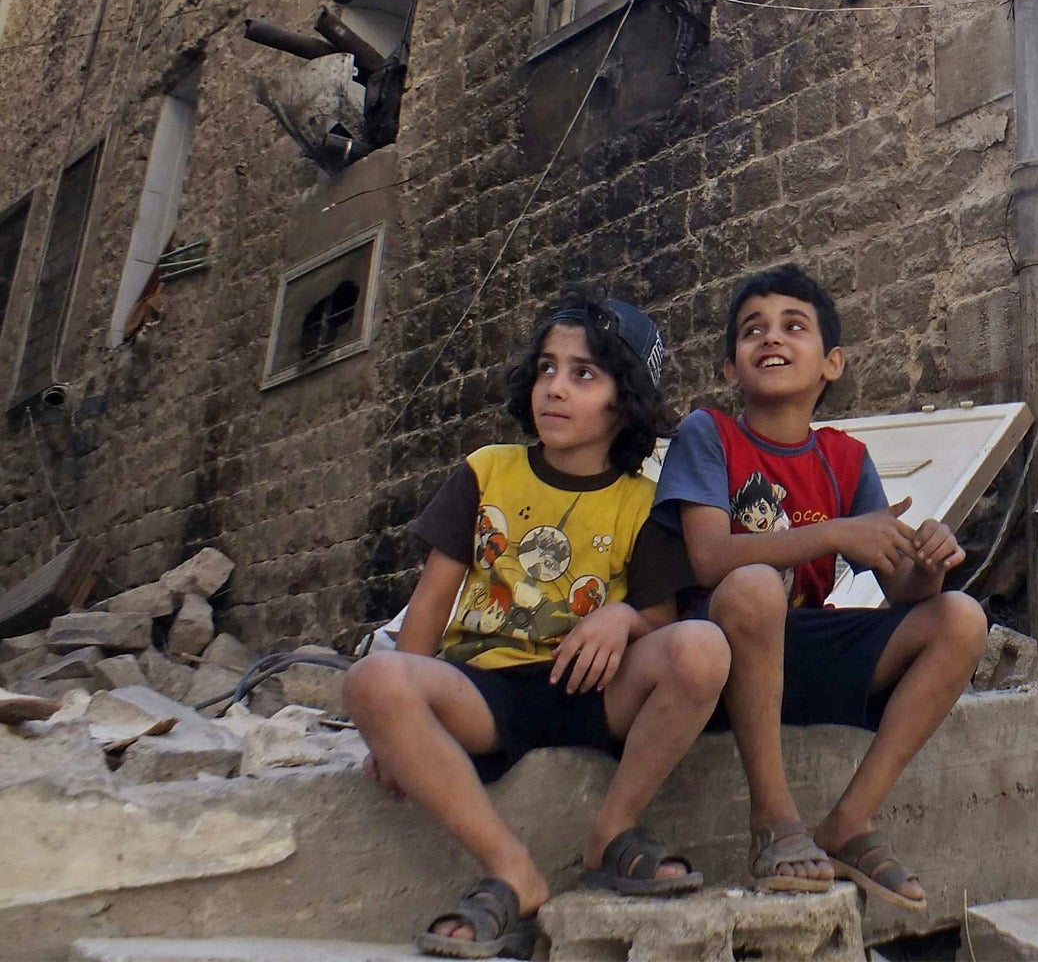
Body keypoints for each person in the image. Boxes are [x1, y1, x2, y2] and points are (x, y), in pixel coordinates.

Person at [344, 289, 728, 959]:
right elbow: (431, 603)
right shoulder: (487, 470)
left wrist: (621, 618)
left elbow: (661, 617)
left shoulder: (645, 502)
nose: (555, 388)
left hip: (593, 691)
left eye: (584, 374)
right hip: (483, 691)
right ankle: (512, 873)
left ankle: (612, 833)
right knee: (373, 680)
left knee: (701, 647)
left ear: (625, 399)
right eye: (547, 368)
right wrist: (394, 729)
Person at [648, 264, 987, 912]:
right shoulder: (707, 435)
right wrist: (834, 533)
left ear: (831, 362)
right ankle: (775, 821)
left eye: (792, 326)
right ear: (729, 368)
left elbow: (903, 595)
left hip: (805, 652)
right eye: (753, 330)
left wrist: (931, 561)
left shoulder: (845, 459)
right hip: (717, 661)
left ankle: (849, 823)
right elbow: (710, 557)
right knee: (752, 587)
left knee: (961, 619)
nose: (771, 338)